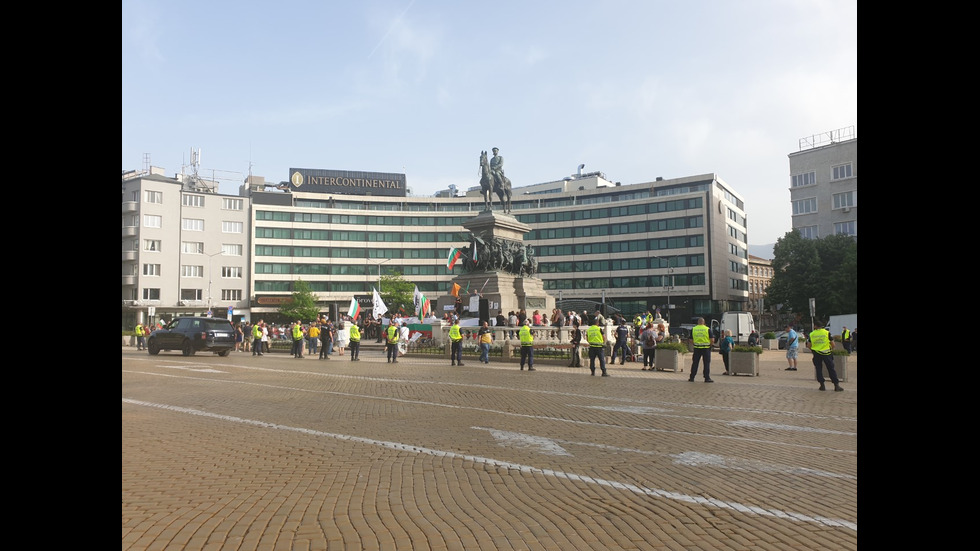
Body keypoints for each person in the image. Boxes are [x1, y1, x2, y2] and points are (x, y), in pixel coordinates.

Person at [807, 321, 843, 391]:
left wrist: (813, 350)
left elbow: (808, 345)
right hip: (827, 353)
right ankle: (836, 385)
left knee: (818, 369)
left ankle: (822, 385)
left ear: (815, 326)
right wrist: (830, 349)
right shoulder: (826, 332)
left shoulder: (812, 334)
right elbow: (833, 344)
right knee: (831, 369)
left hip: (816, 353)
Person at [688, 317, 714, 382]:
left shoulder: (693, 329)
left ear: (698, 322)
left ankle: (692, 377)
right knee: (706, 363)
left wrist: (695, 343)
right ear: (704, 322)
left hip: (697, 348)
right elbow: (712, 340)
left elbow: (690, 339)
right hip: (706, 348)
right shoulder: (707, 329)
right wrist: (710, 345)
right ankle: (707, 378)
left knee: (695, 363)